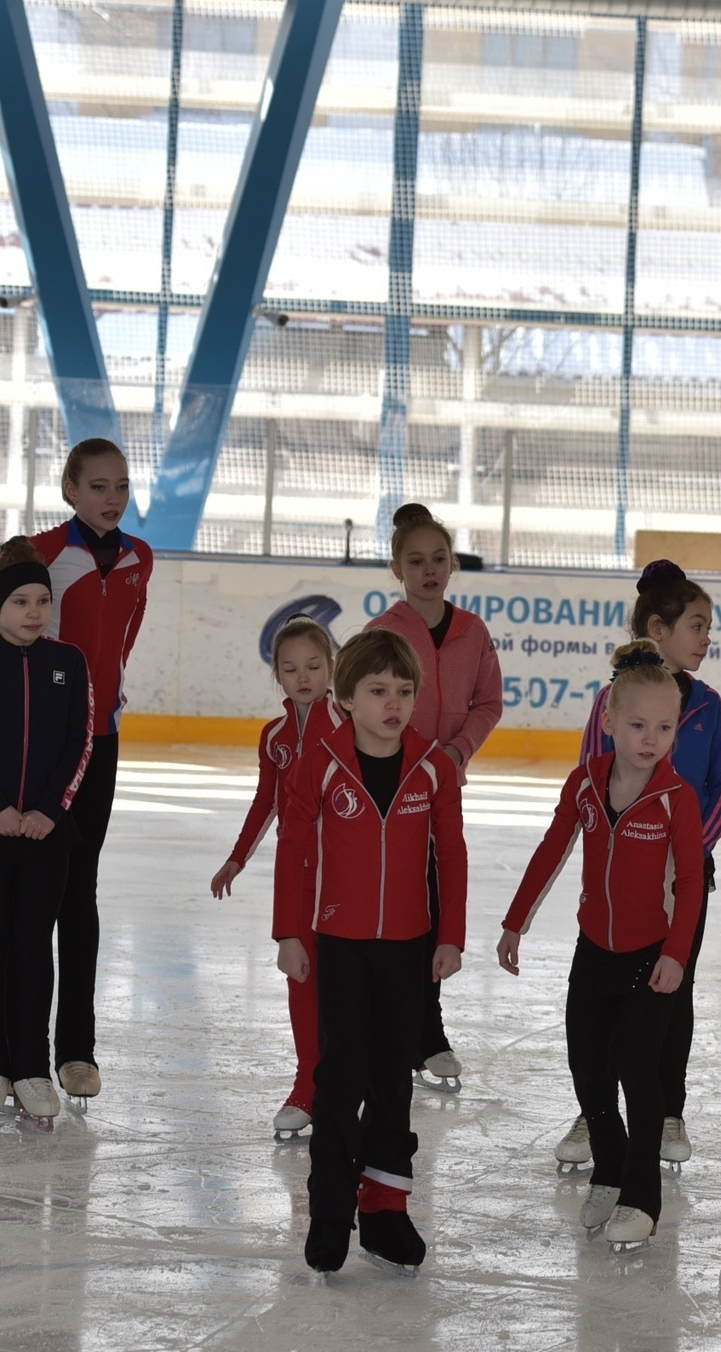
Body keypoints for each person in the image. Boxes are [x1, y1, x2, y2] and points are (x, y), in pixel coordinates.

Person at [0, 437, 148, 1113]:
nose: (113, 497)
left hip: (89, 742)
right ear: (70, 490)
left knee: (78, 893)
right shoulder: (41, 552)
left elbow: (123, 633)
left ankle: (72, 1051)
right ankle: (2, 1060)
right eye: (99, 485)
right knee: (13, 920)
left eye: (122, 485)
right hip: (25, 746)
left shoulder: (142, 556)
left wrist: (106, 689)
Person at [500, 642, 707, 1253]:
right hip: (594, 951)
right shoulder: (586, 782)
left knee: (639, 1075)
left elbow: (691, 881)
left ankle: (642, 1196)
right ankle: (609, 1170)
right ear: (609, 722)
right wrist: (516, 921)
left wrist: (677, 953)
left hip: (651, 956)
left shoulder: (677, 798)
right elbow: (552, 847)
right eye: (638, 725)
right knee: (588, 1071)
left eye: (664, 727)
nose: (651, 739)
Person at [272, 629, 466, 1274]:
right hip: (341, 948)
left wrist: (450, 936)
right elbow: (295, 850)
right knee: (340, 1081)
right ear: (347, 697)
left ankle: (386, 1213)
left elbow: (452, 856)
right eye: (378, 691)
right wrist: (290, 933)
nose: (393, 704)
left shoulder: (434, 765)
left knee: (392, 1086)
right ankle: (330, 1215)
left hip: (409, 952)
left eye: (404, 692)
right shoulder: (319, 761)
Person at [558, 560, 721, 1174]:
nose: (706, 638)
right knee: (603, 1001)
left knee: (672, 992)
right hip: (618, 881)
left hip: (685, 878)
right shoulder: (612, 703)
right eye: (697, 625)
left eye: (709, 627)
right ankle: (596, 1110)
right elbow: (590, 779)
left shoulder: (710, 705)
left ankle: (667, 1110)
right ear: (658, 630)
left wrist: (687, 856)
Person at [0, 537, 94, 1128]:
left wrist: (51, 810)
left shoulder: (69, 662)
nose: (34, 612)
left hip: (48, 833)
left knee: (34, 945)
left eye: (43, 601)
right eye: (21, 601)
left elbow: (80, 742)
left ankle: (30, 1067)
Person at [365, 505, 503, 1092]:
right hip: (388, 790)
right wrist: (412, 753)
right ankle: (383, 1024)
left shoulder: (473, 631)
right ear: (397, 567)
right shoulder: (381, 633)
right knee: (391, 903)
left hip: (443, 785)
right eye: (416, 561)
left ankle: (429, 1031)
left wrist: (455, 753)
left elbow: (488, 703)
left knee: (433, 900)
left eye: (439, 560)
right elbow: (362, 706)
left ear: (452, 565)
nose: (429, 570)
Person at [210, 615, 339, 1141]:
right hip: (298, 878)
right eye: (290, 669)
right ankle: (307, 1084)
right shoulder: (276, 738)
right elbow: (267, 802)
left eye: (313, 665)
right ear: (277, 676)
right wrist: (237, 858)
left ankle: (350, 1085)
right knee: (301, 979)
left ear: (333, 668)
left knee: (347, 983)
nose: (303, 676)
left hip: (350, 877)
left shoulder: (352, 726)